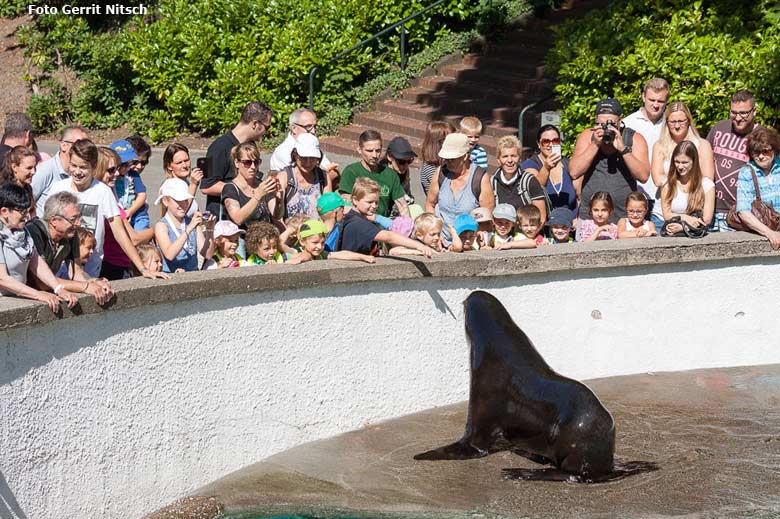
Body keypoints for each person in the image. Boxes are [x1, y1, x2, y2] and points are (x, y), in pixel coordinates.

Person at [47, 139, 169, 280]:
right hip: (60, 266)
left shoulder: (103, 192)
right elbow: (48, 227)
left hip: (91, 268)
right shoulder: (58, 188)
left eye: (83, 167)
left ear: (93, 166)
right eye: (74, 166)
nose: (77, 172)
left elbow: (120, 232)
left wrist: (143, 269)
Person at [569, 98, 650, 224]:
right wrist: (595, 144)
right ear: (596, 120)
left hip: (624, 219)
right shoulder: (588, 136)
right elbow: (574, 172)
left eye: (611, 123)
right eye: (601, 123)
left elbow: (644, 176)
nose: (606, 128)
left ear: (620, 120)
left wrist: (623, 149)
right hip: (591, 219)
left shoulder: (633, 138)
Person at [26, 191, 114, 304]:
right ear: (54, 221)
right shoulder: (34, 232)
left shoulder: (71, 234)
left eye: (79, 218)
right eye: (73, 219)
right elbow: (41, 282)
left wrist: (95, 281)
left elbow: (76, 273)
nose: (78, 224)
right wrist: (85, 287)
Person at [0, 184, 78, 311]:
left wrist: (58, 288)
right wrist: (37, 294)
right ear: (4, 212)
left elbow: (36, 263)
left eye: (28, 210)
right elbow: (2, 279)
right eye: (22, 212)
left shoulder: (23, 231)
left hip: (16, 299)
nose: (27, 216)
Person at [649, 101, 715, 228]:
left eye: (681, 121)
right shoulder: (660, 146)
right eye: (672, 122)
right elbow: (658, 180)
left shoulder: (702, 145)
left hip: (695, 211)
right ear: (666, 123)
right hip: (665, 214)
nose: (677, 126)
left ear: (689, 121)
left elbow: (707, 179)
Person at [201, 101, 274, 216]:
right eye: (267, 127)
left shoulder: (251, 146)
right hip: (224, 223)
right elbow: (206, 186)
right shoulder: (216, 147)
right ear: (255, 124)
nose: (267, 132)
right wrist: (244, 189)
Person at [95, 146, 155, 279]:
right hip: (111, 264)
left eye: (117, 168)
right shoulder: (106, 196)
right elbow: (133, 238)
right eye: (111, 170)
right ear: (97, 169)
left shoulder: (110, 194)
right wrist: (158, 230)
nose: (116, 174)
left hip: (112, 262)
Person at [707, 89, 763, 232]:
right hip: (709, 211)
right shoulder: (719, 127)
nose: (737, 118)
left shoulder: (763, 137)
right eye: (733, 112)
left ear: (754, 111)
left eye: (743, 113)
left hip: (739, 217)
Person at [425, 133, 494, 246]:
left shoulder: (480, 178)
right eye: (445, 159)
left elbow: (486, 215)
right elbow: (430, 204)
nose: (447, 162)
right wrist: (435, 233)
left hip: (469, 244)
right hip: (442, 243)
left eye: (452, 159)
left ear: (465, 156)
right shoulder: (440, 173)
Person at [339, 177, 436, 257]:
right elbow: (389, 237)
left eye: (376, 202)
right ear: (355, 200)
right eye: (369, 202)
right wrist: (419, 246)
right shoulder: (358, 223)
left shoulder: (353, 217)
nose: (374, 206)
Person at [339, 130, 409, 218]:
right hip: (357, 223)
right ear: (359, 150)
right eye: (369, 151)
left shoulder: (390, 174)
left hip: (383, 225)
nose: (374, 155)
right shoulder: (351, 172)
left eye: (378, 150)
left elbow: (403, 207)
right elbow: (346, 207)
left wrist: (408, 226)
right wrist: (376, 219)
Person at [623, 78, 670, 209]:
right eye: (652, 100)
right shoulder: (629, 123)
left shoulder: (672, 123)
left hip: (663, 197)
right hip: (635, 197)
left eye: (660, 101)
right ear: (643, 97)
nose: (655, 105)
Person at [155, 178, 214, 273]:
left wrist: (210, 230)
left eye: (185, 200)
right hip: (170, 277)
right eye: (178, 200)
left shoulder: (192, 222)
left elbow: (207, 254)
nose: (182, 205)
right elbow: (169, 254)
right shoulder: (161, 226)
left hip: (192, 275)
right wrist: (189, 229)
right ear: (165, 201)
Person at [734, 128, 780, 249]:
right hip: (763, 231)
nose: (760, 156)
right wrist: (769, 233)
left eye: (765, 151)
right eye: (756, 152)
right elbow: (743, 211)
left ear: (774, 150)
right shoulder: (746, 172)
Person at [519, 126, 578, 216]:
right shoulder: (530, 165)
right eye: (546, 141)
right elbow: (534, 189)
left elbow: (579, 196)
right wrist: (546, 168)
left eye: (555, 141)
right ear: (539, 144)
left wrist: (576, 219)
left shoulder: (568, 164)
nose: (550, 145)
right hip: (545, 223)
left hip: (568, 224)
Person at [659, 141, 715, 236]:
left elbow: (707, 219)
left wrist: (683, 227)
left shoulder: (707, 185)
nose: (680, 166)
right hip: (672, 234)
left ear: (694, 161)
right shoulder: (667, 184)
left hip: (696, 234)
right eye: (677, 162)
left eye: (685, 162)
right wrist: (685, 218)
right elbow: (667, 215)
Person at [32, 126, 89, 215]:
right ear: (64, 145)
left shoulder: (82, 173)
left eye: (86, 144)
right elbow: (25, 202)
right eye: (79, 144)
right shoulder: (45, 171)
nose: (84, 148)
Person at [222, 142, 279, 231]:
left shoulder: (261, 185)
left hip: (265, 239)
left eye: (256, 162)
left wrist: (279, 198)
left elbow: (277, 215)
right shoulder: (230, 188)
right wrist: (258, 196)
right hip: (242, 240)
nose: (253, 167)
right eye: (247, 162)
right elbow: (238, 219)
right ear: (237, 163)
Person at [276, 133, 332, 220]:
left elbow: (329, 212)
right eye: (303, 158)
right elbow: (277, 217)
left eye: (312, 158)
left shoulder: (323, 177)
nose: (308, 163)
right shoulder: (285, 177)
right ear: (295, 155)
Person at [491, 135, 548, 220]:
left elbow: (542, 217)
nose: (510, 160)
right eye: (505, 156)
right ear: (498, 160)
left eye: (513, 156)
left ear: (520, 158)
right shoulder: (492, 183)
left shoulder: (530, 181)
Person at [269, 108, 338, 177]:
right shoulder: (283, 151)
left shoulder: (311, 144)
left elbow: (332, 171)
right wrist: (325, 173)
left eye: (315, 126)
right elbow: (302, 180)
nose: (313, 131)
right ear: (294, 128)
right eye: (308, 126)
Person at [287, 219, 375, 265]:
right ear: (302, 242)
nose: (320, 246)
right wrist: (299, 259)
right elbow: (306, 255)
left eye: (322, 243)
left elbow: (342, 254)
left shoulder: (322, 254)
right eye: (315, 242)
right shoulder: (296, 252)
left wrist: (363, 257)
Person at [111, 138, 151, 231]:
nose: (130, 167)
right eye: (124, 164)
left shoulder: (132, 174)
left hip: (137, 215)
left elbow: (142, 194)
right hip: (119, 214)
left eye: (131, 163)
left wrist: (130, 211)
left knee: (140, 230)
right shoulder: (110, 176)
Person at [162, 143, 203, 218]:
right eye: (179, 163)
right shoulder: (170, 186)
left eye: (186, 160)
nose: (184, 165)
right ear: (169, 166)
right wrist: (193, 185)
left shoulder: (185, 183)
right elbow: (181, 213)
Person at [420, 121, 455, 195]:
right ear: (438, 143)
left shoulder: (447, 162)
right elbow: (444, 192)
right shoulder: (430, 168)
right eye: (449, 139)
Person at [384, 136, 417, 215]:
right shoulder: (381, 172)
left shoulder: (403, 170)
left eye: (409, 161)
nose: (405, 166)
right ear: (389, 157)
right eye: (401, 162)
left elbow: (407, 192)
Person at [1, 145, 37, 217]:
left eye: (35, 167)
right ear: (14, 167)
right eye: (29, 168)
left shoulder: (28, 188)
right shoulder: (4, 192)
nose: (33, 172)